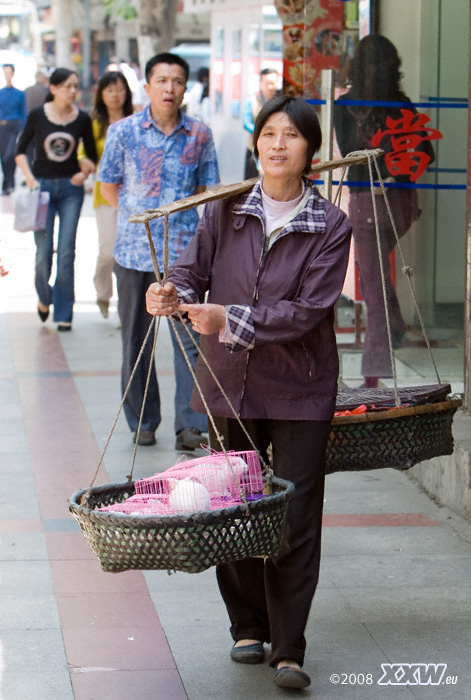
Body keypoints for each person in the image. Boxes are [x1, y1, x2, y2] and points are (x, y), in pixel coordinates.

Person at [145, 95, 352, 690]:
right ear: (255, 143)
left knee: (295, 514)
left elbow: (308, 310)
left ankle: (290, 645)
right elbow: (189, 271)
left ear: (310, 151)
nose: (278, 144)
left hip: (300, 389)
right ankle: (247, 625)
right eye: (269, 133)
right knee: (231, 504)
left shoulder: (329, 226)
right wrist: (171, 293)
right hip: (228, 385)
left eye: (291, 135)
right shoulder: (226, 211)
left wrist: (228, 319)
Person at [98, 52, 219, 448]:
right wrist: (138, 221)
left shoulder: (200, 134)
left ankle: (190, 424)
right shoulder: (124, 132)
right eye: (162, 80)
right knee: (137, 341)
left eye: (178, 81)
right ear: (147, 86)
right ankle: (143, 421)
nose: (170, 88)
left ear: (186, 88)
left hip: (186, 256)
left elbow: (207, 190)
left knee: (191, 339)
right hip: (134, 255)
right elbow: (108, 186)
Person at [334, 35, 435, 388]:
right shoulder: (403, 105)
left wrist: (374, 146)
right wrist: (391, 148)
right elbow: (425, 156)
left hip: (368, 205)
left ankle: (373, 374)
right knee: (372, 270)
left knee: (373, 287)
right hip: (403, 203)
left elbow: (349, 151)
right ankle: (394, 325)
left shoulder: (345, 105)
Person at [14, 68, 97, 331]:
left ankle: (64, 312)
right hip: (43, 190)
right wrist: (29, 177)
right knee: (43, 253)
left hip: (71, 192)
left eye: (75, 86)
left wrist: (83, 174)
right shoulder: (38, 116)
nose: (73, 91)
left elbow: (92, 156)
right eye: (67, 86)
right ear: (54, 89)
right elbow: (20, 151)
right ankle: (44, 297)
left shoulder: (82, 118)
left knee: (66, 253)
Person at [78, 71, 133, 319]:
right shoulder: (94, 122)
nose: (115, 95)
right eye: (110, 90)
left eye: (120, 89)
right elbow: (83, 153)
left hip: (134, 195)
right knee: (108, 252)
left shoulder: (137, 120)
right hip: (104, 194)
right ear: (101, 94)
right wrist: (87, 165)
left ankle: (126, 309)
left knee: (127, 256)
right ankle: (102, 292)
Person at [242, 68, 279, 179]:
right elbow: (246, 123)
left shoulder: (280, 101)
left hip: (275, 148)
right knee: (251, 182)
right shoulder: (252, 101)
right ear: (261, 83)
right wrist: (264, 132)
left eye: (273, 83)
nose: (271, 87)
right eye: (268, 83)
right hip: (254, 147)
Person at [0, 64, 26, 195]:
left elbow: (23, 113)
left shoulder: (20, 94)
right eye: (5, 72)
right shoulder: (1, 93)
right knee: (3, 156)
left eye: (9, 72)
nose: (7, 75)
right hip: (2, 127)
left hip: (14, 126)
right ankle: (7, 183)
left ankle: (10, 183)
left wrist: (22, 130)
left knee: (10, 155)